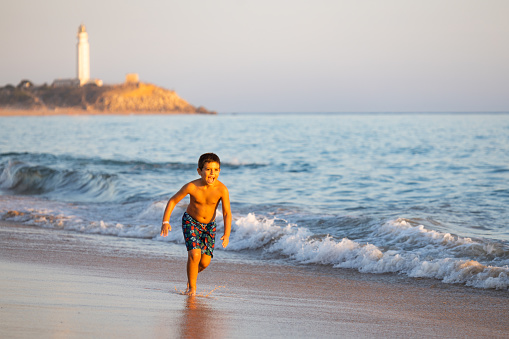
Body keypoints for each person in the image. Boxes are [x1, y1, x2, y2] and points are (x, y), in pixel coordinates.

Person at [160, 153, 231, 296]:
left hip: (209, 226)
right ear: (199, 171)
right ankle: (192, 287)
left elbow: (226, 213)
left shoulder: (222, 189)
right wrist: (165, 221)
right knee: (194, 255)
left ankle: (191, 277)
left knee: (205, 262)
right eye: (208, 169)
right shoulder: (192, 186)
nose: (212, 173)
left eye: (216, 170)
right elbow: (173, 200)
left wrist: (227, 233)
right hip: (191, 222)